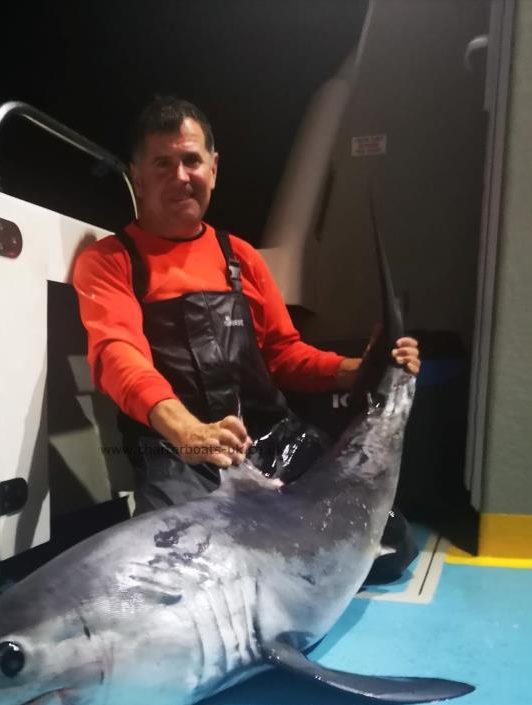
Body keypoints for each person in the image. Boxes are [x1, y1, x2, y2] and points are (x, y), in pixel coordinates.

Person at [73, 96, 420, 515]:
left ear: (213, 169)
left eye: (191, 160)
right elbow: (117, 353)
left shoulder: (241, 256)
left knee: (386, 541)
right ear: (138, 178)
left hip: (273, 437)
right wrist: (186, 430)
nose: (181, 176)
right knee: (187, 566)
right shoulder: (111, 259)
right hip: (175, 451)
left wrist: (364, 368)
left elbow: (284, 354)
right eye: (162, 164)